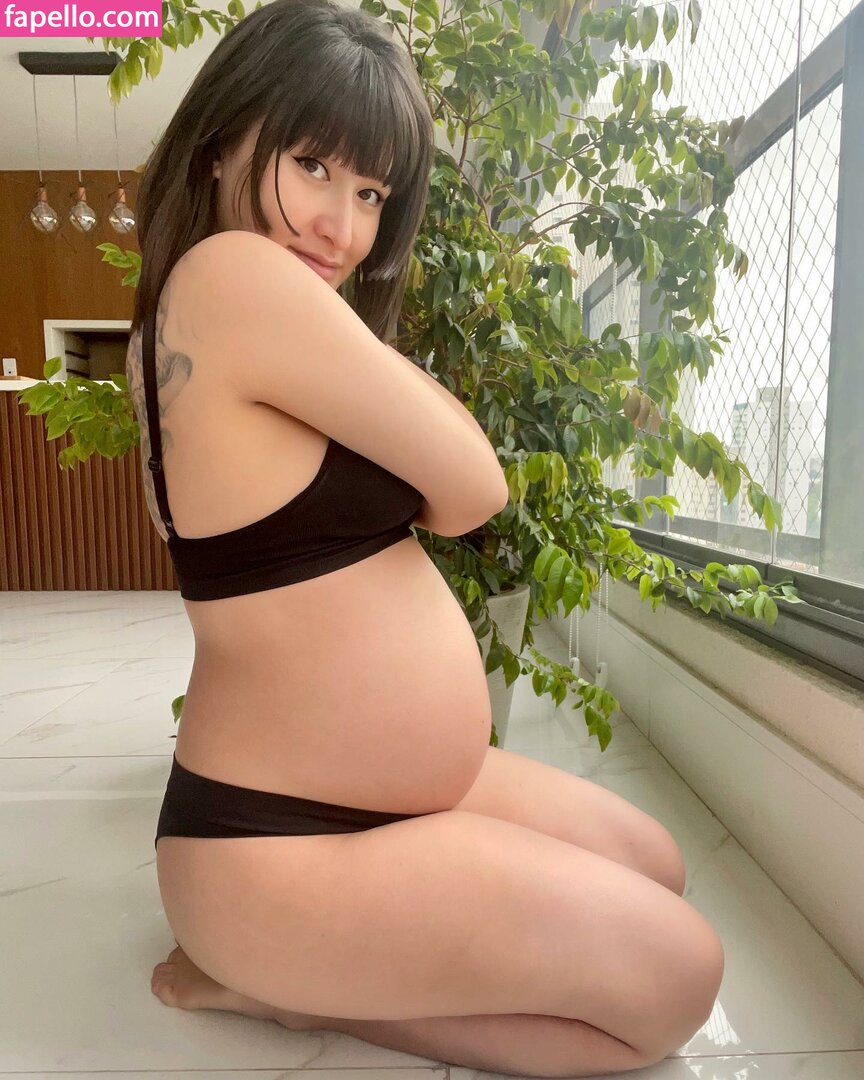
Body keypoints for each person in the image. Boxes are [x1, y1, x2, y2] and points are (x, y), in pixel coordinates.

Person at [129, 1, 724, 1075]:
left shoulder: (203, 304)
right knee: (679, 979)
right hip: (280, 845)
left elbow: (452, 485)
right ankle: (282, 989)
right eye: (312, 165)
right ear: (221, 140)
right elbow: (473, 485)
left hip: (350, 806)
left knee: (657, 863)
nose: (342, 228)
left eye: (371, 193)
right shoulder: (234, 277)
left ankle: (307, 971)